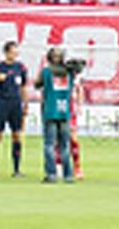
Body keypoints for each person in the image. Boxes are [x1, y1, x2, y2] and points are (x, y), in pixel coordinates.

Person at [0, 41, 28, 177]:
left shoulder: (20, 67)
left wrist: (25, 104)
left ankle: (16, 169)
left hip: (16, 104)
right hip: (2, 103)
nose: (15, 54)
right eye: (13, 51)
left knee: (17, 135)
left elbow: (23, 87)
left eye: (17, 52)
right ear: (7, 52)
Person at [37, 48, 75, 184]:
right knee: (65, 145)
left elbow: (37, 84)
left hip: (50, 110)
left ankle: (52, 174)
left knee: (49, 144)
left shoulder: (46, 72)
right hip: (64, 111)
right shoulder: (70, 72)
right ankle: (68, 174)